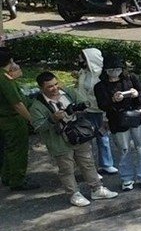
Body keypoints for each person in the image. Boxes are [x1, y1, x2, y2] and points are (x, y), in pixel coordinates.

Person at [25, 70, 117, 207]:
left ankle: (97, 189)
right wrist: (52, 119)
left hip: (78, 134)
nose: (55, 88)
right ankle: (73, 193)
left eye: (56, 84)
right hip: (59, 140)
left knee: (88, 162)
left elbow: (84, 103)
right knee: (66, 169)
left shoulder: (67, 93)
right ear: (41, 88)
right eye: (50, 86)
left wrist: (78, 109)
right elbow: (37, 127)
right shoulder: (37, 106)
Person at [94, 54, 141, 191]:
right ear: (105, 70)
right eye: (111, 70)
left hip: (136, 117)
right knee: (124, 149)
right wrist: (113, 100)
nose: (114, 72)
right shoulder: (100, 86)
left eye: (117, 69)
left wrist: (136, 94)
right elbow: (102, 105)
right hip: (117, 121)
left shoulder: (131, 78)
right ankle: (126, 178)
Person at [74, 47, 117, 178]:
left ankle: (106, 164)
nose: (80, 61)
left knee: (102, 137)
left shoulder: (101, 76)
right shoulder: (84, 72)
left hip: (97, 111)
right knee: (86, 140)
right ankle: (90, 169)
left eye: (83, 58)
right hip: (84, 110)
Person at [0, 49, 38, 192]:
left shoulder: (4, 77)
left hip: (3, 120)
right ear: (9, 61)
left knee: (8, 149)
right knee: (18, 150)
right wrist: (31, 119)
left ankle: (7, 176)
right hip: (13, 120)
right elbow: (17, 104)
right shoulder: (5, 79)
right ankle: (18, 180)